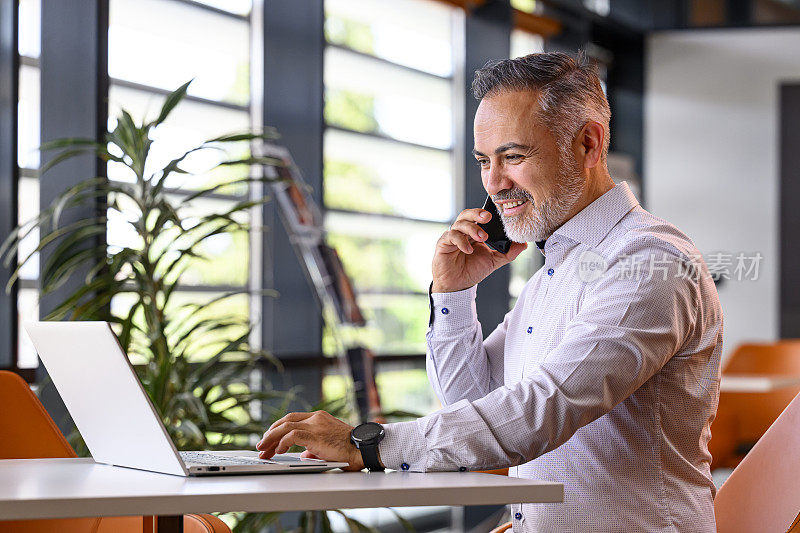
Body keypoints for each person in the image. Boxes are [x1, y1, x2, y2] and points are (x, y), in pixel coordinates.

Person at [257, 52, 723, 532]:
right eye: (485, 161)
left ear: (588, 143)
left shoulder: (651, 263)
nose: (495, 184)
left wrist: (367, 443)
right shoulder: (555, 272)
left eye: (514, 156)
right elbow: (469, 405)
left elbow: (543, 410)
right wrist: (453, 294)